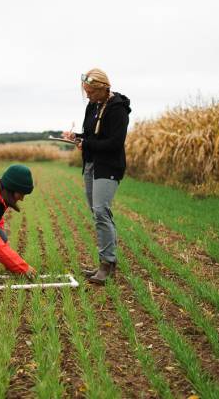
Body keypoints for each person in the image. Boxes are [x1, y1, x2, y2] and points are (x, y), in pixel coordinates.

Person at [63, 68, 131, 285]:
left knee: (102, 211)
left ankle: (107, 263)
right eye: (86, 91)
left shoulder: (117, 109)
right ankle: (104, 262)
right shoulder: (93, 106)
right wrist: (76, 137)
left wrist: (87, 143)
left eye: (91, 92)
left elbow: (114, 143)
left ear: (103, 89)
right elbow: (93, 137)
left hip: (108, 166)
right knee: (97, 213)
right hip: (92, 165)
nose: (87, 96)